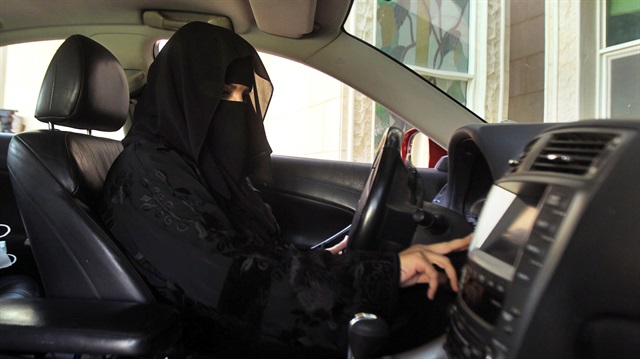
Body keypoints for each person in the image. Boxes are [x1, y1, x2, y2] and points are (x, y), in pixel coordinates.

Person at [101, 21, 471, 357]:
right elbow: (233, 281)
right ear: (183, 93)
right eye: (227, 93)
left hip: (239, 325)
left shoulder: (191, 166)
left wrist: (334, 260)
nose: (241, 109)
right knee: (434, 308)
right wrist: (382, 272)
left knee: (435, 291)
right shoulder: (146, 174)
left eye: (245, 95)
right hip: (213, 342)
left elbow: (248, 256)